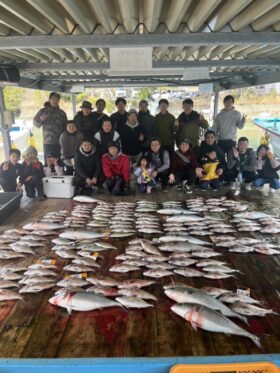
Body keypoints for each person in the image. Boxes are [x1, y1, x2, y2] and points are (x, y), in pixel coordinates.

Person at [33, 92, 67, 160]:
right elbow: (36, 124)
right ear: (49, 100)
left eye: (57, 99)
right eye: (53, 99)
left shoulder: (62, 113)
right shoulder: (43, 111)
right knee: (48, 164)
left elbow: (66, 128)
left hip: (60, 143)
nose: (55, 101)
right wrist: (41, 119)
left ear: (59, 101)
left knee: (59, 163)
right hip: (48, 143)